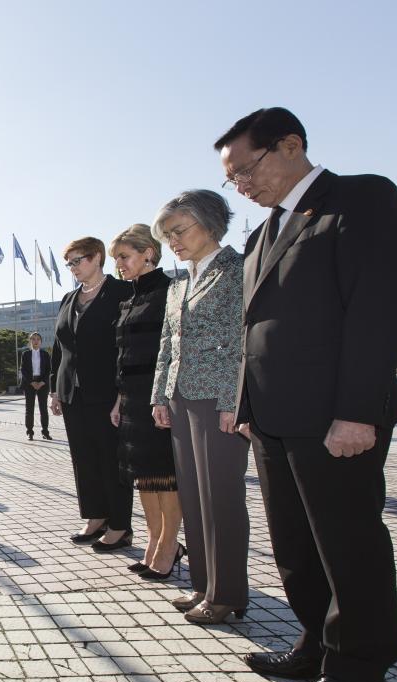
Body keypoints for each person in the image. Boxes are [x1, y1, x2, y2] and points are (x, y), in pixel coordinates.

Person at [216, 107, 397, 682]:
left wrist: (358, 412)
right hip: (273, 417)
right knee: (295, 545)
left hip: (335, 416)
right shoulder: (261, 234)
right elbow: (257, 327)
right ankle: (315, 640)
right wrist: (247, 406)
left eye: (246, 171)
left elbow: (377, 311)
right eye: (233, 180)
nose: (242, 188)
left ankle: (361, 668)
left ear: (290, 145)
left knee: (347, 541)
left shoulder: (360, 200)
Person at [150, 191, 249, 622]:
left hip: (217, 400)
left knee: (221, 497)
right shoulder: (178, 284)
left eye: (179, 230)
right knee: (193, 496)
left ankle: (227, 594)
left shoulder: (239, 270)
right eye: (168, 235)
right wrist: (159, 395)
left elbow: (243, 343)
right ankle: (203, 585)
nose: (173, 240)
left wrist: (234, 401)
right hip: (180, 396)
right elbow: (167, 346)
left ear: (210, 223)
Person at [50, 237, 134, 551]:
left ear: (97, 257)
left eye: (78, 260)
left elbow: (128, 345)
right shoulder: (68, 299)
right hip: (72, 392)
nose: (73, 268)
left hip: (108, 391)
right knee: (83, 458)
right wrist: (56, 389)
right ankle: (95, 516)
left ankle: (120, 526)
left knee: (111, 460)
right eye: (68, 263)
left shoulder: (122, 293)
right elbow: (59, 348)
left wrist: (123, 393)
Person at [109, 224, 182, 580]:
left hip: (160, 399)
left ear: (148, 253)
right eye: (117, 258)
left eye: (124, 256)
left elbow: (173, 352)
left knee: (165, 476)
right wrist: (119, 400)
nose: (119, 264)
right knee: (144, 478)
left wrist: (163, 397)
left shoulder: (171, 291)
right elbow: (123, 355)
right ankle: (154, 541)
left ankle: (169, 545)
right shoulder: (129, 299)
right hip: (132, 400)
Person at [20, 332, 52, 441]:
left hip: (43, 383)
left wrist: (43, 382)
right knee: (29, 409)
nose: (36, 341)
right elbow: (23, 370)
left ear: (41, 341)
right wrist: (31, 382)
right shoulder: (26, 354)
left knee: (44, 409)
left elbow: (49, 370)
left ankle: (45, 432)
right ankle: (30, 432)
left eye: (38, 339)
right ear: (30, 341)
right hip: (29, 383)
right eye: (33, 339)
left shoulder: (45, 354)